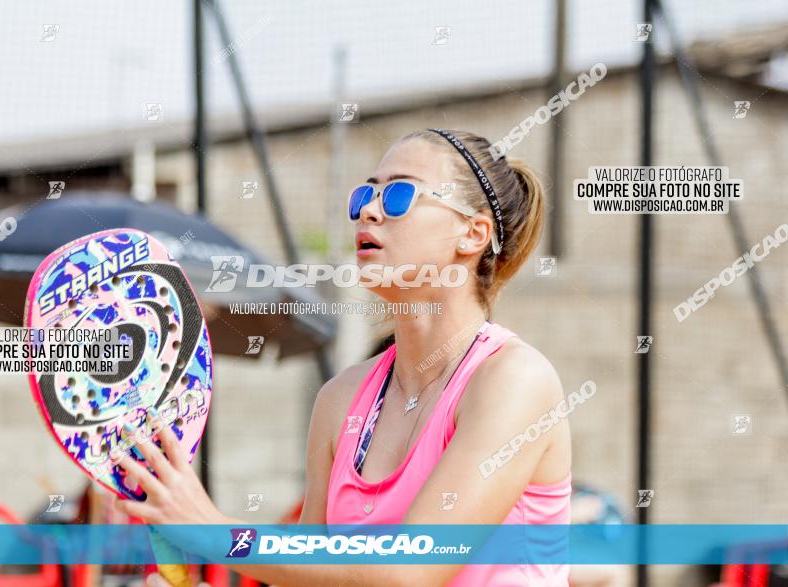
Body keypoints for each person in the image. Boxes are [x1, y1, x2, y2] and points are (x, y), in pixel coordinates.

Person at [114, 128, 573, 586]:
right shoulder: (342, 398)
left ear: (472, 234)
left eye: (399, 195)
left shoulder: (514, 380)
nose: (368, 211)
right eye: (364, 195)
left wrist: (213, 533)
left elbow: (411, 572)